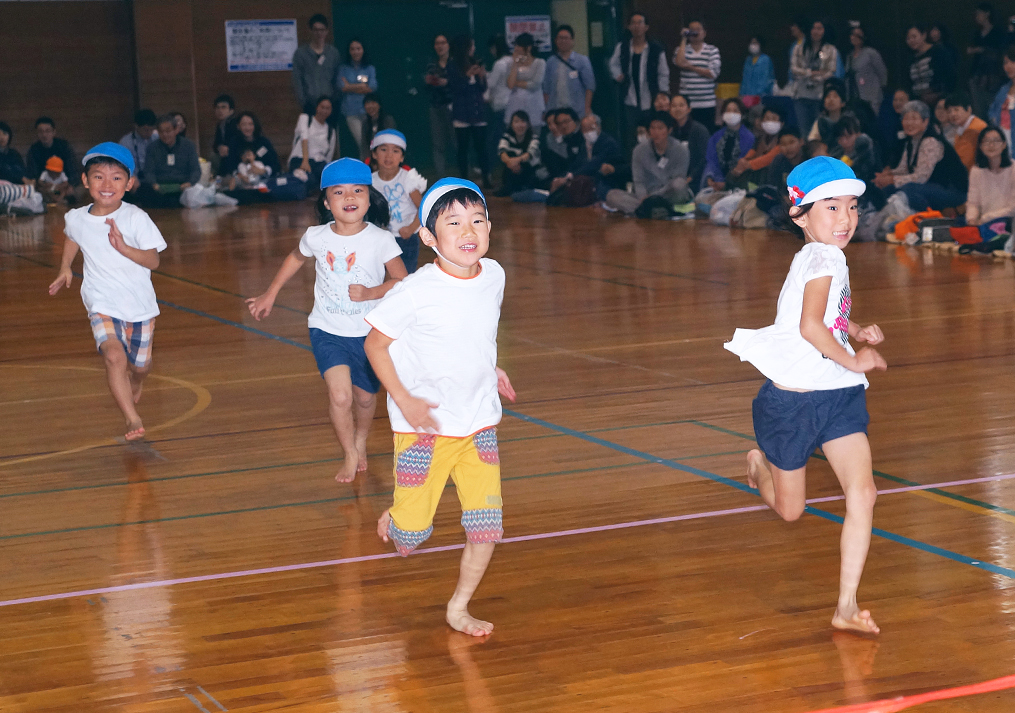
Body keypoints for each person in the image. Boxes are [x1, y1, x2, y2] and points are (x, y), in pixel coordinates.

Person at [725, 156, 884, 636]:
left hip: (836, 398)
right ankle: (759, 464)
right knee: (791, 510)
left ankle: (847, 605)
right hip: (793, 404)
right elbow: (811, 327)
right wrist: (855, 358)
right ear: (800, 215)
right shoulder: (821, 257)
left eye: (852, 208)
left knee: (864, 492)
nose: (845, 219)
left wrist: (856, 329)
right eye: (831, 207)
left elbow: (827, 316)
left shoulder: (824, 256)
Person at [364, 177, 516, 637]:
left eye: (477, 219)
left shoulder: (494, 275)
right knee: (410, 538)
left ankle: (459, 606)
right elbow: (375, 346)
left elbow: (478, 332)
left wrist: (490, 368)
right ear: (429, 237)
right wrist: (404, 399)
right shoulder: (414, 291)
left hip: (479, 427)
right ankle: (398, 515)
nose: (468, 230)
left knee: (486, 528)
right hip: (425, 430)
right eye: (453, 222)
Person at [247, 158, 407, 484]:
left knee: (364, 398)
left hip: (370, 335)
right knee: (340, 396)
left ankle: (361, 440)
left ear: (368, 196)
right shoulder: (316, 236)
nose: (349, 197)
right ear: (326, 201)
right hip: (326, 329)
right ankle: (349, 452)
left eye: (358, 190)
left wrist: (372, 291)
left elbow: (403, 281)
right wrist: (270, 293)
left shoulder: (380, 239)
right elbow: (295, 257)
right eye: (339, 191)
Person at [47, 142, 167, 442]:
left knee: (140, 366)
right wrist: (65, 267)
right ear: (86, 181)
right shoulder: (76, 217)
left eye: (116, 177)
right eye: (98, 176)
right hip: (101, 302)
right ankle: (131, 417)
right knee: (114, 357)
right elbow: (73, 236)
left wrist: (124, 248)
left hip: (140, 307)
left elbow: (153, 260)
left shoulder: (136, 218)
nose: (107, 184)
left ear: (129, 184)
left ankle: (137, 382)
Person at [872, 100, 968, 211]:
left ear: (925, 121)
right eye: (906, 119)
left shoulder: (930, 141)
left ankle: (927, 220)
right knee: (888, 189)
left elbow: (921, 177)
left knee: (909, 189)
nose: (909, 123)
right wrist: (884, 176)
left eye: (914, 118)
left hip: (952, 190)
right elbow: (904, 169)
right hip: (931, 186)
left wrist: (892, 179)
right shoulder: (911, 141)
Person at [605, 111, 690, 215]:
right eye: (652, 128)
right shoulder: (639, 150)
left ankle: (650, 210)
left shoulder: (681, 150)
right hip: (644, 197)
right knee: (612, 196)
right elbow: (638, 181)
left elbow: (679, 178)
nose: (656, 132)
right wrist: (643, 198)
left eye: (660, 128)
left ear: (669, 130)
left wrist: (653, 197)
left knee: (679, 185)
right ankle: (658, 210)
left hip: (668, 194)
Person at [609, 13, 670, 149]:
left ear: (646, 27)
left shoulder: (656, 48)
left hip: (651, 98)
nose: (636, 26)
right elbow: (613, 64)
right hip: (630, 99)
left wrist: (663, 93)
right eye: (633, 23)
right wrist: (617, 75)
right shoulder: (623, 46)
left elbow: (663, 72)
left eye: (640, 23)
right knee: (632, 135)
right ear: (629, 26)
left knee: (652, 133)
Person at [370, 130, 427, 274]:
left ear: (402, 157)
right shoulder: (370, 181)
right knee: (378, 276)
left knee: (404, 278)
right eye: (383, 149)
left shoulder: (407, 179)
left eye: (395, 151)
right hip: (379, 238)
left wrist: (411, 228)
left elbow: (423, 207)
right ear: (374, 154)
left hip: (405, 238)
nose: (389, 155)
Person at [447, 35, 490, 186]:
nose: (474, 49)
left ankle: (486, 178)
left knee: (481, 147)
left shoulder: (475, 61)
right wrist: (467, 76)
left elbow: (482, 88)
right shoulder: (452, 65)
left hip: (477, 110)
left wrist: (481, 76)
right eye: (471, 46)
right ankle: (464, 179)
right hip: (462, 111)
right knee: (463, 148)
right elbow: (455, 88)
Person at [139, 114, 201, 208]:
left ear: (176, 130)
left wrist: (189, 183)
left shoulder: (188, 145)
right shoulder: (152, 148)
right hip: (159, 187)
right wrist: (154, 184)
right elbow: (148, 171)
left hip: (182, 187)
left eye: (168, 131)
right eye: (161, 132)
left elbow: (195, 170)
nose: (165, 135)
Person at [791, 19, 838, 141]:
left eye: (819, 28)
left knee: (818, 134)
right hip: (801, 95)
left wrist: (809, 74)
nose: (816, 31)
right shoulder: (798, 48)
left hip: (820, 96)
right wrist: (810, 73)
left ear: (824, 31)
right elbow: (794, 69)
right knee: (804, 134)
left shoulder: (831, 49)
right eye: (814, 28)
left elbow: (830, 71)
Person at [966, 126, 1015, 239]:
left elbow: (1013, 208)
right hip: (985, 224)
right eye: (986, 141)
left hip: (1009, 223)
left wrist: (986, 218)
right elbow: (973, 202)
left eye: (996, 141)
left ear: (1004, 145)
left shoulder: (1013, 169)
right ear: (980, 146)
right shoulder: (976, 171)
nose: (991, 145)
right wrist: (972, 220)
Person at [674, 20, 720, 128]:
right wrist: (684, 39)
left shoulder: (712, 50)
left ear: (704, 33)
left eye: (698, 29)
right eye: (691, 30)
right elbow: (679, 62)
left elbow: (712, 73)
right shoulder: (681, 49)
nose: (694, 32)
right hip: (687, 104)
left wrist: (690, 67)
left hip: (707, 103)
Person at [542, 25, 596, 119]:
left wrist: (587, 108)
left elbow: (590, 86)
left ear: (572, 41)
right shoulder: (550, 61)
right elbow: (546, 88)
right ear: (556, 41)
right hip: (555, 110)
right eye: (560, 38)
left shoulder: (582, 60)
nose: (563, 41)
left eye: (566, 38)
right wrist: (546, 109)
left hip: (577, 110)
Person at [292, 14, 340, 114]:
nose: (319, 33)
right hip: (310, 104)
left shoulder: (333, 53)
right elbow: (297, 79)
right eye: (316, 30)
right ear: (310, 31)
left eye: (322, 30)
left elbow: (337, 78)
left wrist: (335, 100)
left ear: (327, 31)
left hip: (330, 104)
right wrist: (303, 102)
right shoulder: (301, 53)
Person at [703, 98, 755, 190]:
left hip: (738, 181)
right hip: (715, 181)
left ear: (742, 115)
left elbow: (744, 162)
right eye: (728, 110)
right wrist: (712, 178)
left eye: (735, 111)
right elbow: (711, 160)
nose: (731, 114)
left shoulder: (750, 138)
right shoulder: (716, 136)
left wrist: (726, 181)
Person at [338, 39, 378, 154]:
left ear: (363, 50)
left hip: (368, 111)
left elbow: (372, 87)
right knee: (362, 143)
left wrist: (350, 86)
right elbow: (342, 87)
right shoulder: (344, 69)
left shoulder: (369, 68)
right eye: (352, 49)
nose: (355, 52)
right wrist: (361, 86)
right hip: (351, 112)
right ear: (349, 51)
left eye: (358, 49)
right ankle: (365, 170)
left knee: (372, 142)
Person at [288, 96, 337, 187]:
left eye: (328, 108)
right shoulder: (305, 119)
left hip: (318, 163)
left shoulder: (331, 131)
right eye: (322, 107)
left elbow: (329, 156)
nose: (324, 111)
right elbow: (304, 138)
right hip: (300, 159)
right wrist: (305, 161)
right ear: (317, 107)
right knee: (308, 180)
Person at [425, 34, 455, 177]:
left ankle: (464, 175)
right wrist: (429, 81)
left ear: (448, 45)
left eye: (443, 42)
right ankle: (441, 176)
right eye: (437, 43)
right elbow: (426, 82)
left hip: (454, 108)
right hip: (436, 107)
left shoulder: (454, 62)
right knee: (438, 143)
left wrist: (448, 82)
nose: (440, 46)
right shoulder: (431, 63)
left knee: (457, 142)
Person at [25, 117, 81, 195]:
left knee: (75, 192)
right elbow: (32, 173)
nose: (44, 135)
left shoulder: (64, 146)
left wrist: (69, 184)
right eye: (40, 131)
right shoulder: (34, 150)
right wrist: (42, 184)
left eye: (47, 131)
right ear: (37, 133)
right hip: (44, 187)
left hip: (64, 185)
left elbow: (73, 170)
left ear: (54, 132)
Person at [969, 4, 1006, 120]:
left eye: (979, 13)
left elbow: (1001, 51)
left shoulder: (998, 31)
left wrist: (982, 50)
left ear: (987, 13)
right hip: (977, 75)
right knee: (979, 109)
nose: (977, 17)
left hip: (994, 76)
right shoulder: (976, 33)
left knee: (994, 109)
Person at [906, 24, 956, 108]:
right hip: (919, 103)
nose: (911, 41)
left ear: (924, 35)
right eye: (908, 38)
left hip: (939, 102)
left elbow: (950, 77)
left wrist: (938, 94)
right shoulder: (911, 59)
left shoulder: (938, 52)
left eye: (914, 37)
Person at [732, 105, 784, 184]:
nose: (770, 122)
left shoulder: (783, 139)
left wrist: (748, 164)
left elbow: (769, 158)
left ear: (782, 123)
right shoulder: (759, 139)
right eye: (767, 119)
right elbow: (752, 152)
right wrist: (743, 161)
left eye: (773, 119)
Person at [220, 111, 281, 178]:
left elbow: (276, 164)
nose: (247, 128)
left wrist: (263, 171)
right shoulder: (234, 142)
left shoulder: (264, 142)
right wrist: (240, 175)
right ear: (238, 126)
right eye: (244, 124)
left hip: (264, 180)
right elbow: (230, 165)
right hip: (242, 180)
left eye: (250, 124)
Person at [504, 33, 546, 130]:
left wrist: (516, 83)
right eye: (516, 45)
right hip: (514, 105)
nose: (516, 48)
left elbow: (535, 84)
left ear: (529, 47)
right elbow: (509, 84)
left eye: (519, 46)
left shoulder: (540, 63)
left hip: (534, 106)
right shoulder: (511, 64)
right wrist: (515, 64)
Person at [844, 24, 887, 117]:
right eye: (852, 35)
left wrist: (879, 90)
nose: (854, 37)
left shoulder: (871, 53)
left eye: (858, 35)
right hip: (854, 98)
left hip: (870, 97)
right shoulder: (849, 56)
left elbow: (882, 72)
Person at [670, 93, 710, 189]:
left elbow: (705, 158)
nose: (677, 109)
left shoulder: (699, 130)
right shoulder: (668, 131)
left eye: (681, 105)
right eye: (674, 106)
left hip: (695, 179)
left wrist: (690, 177)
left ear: (689, 109)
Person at [497, 110, 542, 196]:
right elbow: (502, 152)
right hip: (512, 169)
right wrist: (510, 162)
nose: (520, 125)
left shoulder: (534, 138)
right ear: (511, 124)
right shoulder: (506, 137)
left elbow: (529, 154)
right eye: (516, 122)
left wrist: (515, 161)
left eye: (523, 121)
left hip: (530, 170)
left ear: (528, 124)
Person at [945, 93, 987, 170]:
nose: (952, 114)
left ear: (968, 109)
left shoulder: (976, 128)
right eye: (949, 111)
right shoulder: (962, 129)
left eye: (956, 109)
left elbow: (965, 161)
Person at [832, 113, 878, 183]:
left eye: (848, 136)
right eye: (841, 137)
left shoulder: (867, 153)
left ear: (858, 134)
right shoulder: (835, 155)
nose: (844, 141)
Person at [118, 109, 159, 177]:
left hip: (155, 177)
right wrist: (131, 176)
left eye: (151, 129)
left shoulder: (157, 137)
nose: (149, 132)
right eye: (145, 130)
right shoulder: (125, 142)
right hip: (135, 179)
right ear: (136, 126)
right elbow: (122, 164)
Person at [990, 46, 1015, 147]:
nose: (1007, 67)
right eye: (1005, 62)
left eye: (1012, 62)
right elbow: (992, 111)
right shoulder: (1003, 89)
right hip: (1002, 139)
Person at [809, 80, 847, 145]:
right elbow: (813, 141)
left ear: (843, 103)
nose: (831, 99)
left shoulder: (848, 121)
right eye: (828, 96)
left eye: (835, 96)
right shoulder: (820, 122)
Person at [360, 94, 397, 162]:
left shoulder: (388, 120)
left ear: (379, 105)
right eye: (367, 104)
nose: (370, 107)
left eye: (373, 103)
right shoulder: (365, 123)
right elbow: (364, 145)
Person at [740, 36, 775, 100]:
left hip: (761, 97)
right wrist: (742, 94)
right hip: (747, 97)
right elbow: (744, 79)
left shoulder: (765, 59)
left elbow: (766, 79)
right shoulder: (748, 60)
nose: (753, 45)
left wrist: (758, 94)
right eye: (751, 43)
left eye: (755, 43)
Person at [210, 95, 237, 175]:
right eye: (217, 108)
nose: (220, 110)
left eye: (223, 107)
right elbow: (215, 144)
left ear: (231, 111)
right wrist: (219, 147)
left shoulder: (236, 123)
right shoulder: (220, 125)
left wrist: (228, 148)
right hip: (224, 156)